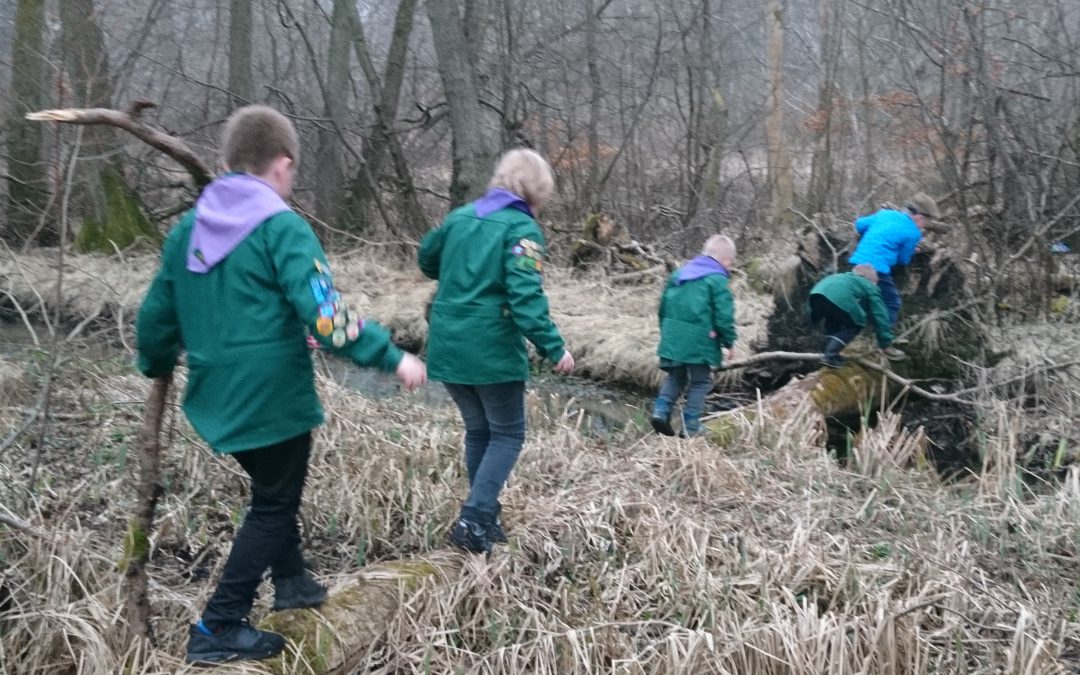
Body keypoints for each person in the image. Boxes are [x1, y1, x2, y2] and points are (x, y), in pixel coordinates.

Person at [136, 105, 426, 665]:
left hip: (215, 396)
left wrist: (154, 361)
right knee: (274, 503)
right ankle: (219, 625)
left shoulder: (188, 231)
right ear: (283, 165)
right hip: (273, 398)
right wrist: (391, 357)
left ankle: (292, 581)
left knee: (272, 487)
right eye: (292, 172)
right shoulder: (282, 227)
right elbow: (326, 318)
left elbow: (156, 316)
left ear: (227, 162)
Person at [418, 148, 574, 555]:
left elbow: (426, 259)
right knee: (507, 433)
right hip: (490, 349)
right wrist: (554, 347)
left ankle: (484, 516)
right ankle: (474, 518)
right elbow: (525, 298)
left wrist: (459, 265)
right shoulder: (522, 229)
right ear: (537, 190)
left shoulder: (459, 217)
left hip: (448, 346)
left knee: (480, 431)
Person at [649, 235, 737, 438]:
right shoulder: (717, 279)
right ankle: (691, 426)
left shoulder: (679, 274)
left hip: (673, 335)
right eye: (730, 264)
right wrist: (729, 341)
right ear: (726, 260)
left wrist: (667, 332)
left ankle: (660, 412)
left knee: (676, 376)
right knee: (701, 382)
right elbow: (724, 315)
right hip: (700, 340)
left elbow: (663, 307)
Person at [848, 193, 939, 337]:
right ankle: (882, 339)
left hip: (857, 262)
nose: (924, 226)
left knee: (864, 300)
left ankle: (857, 334)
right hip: (876, 269)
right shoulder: (913, 233)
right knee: (892, 303)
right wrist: (912, 250)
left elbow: (859, 225)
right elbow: (903, 260)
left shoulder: (885, 214)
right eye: (926, 222)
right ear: (920, 217)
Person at [808, 264, 897, 368]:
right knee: (856, 324)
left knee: (833, 322)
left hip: (816, 295)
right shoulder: (869, 285)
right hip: (840, 298)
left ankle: (830, 354)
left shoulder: (841, 277)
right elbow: (879, 315)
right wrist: (885, 343)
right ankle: (830, 356)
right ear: (871, 280)